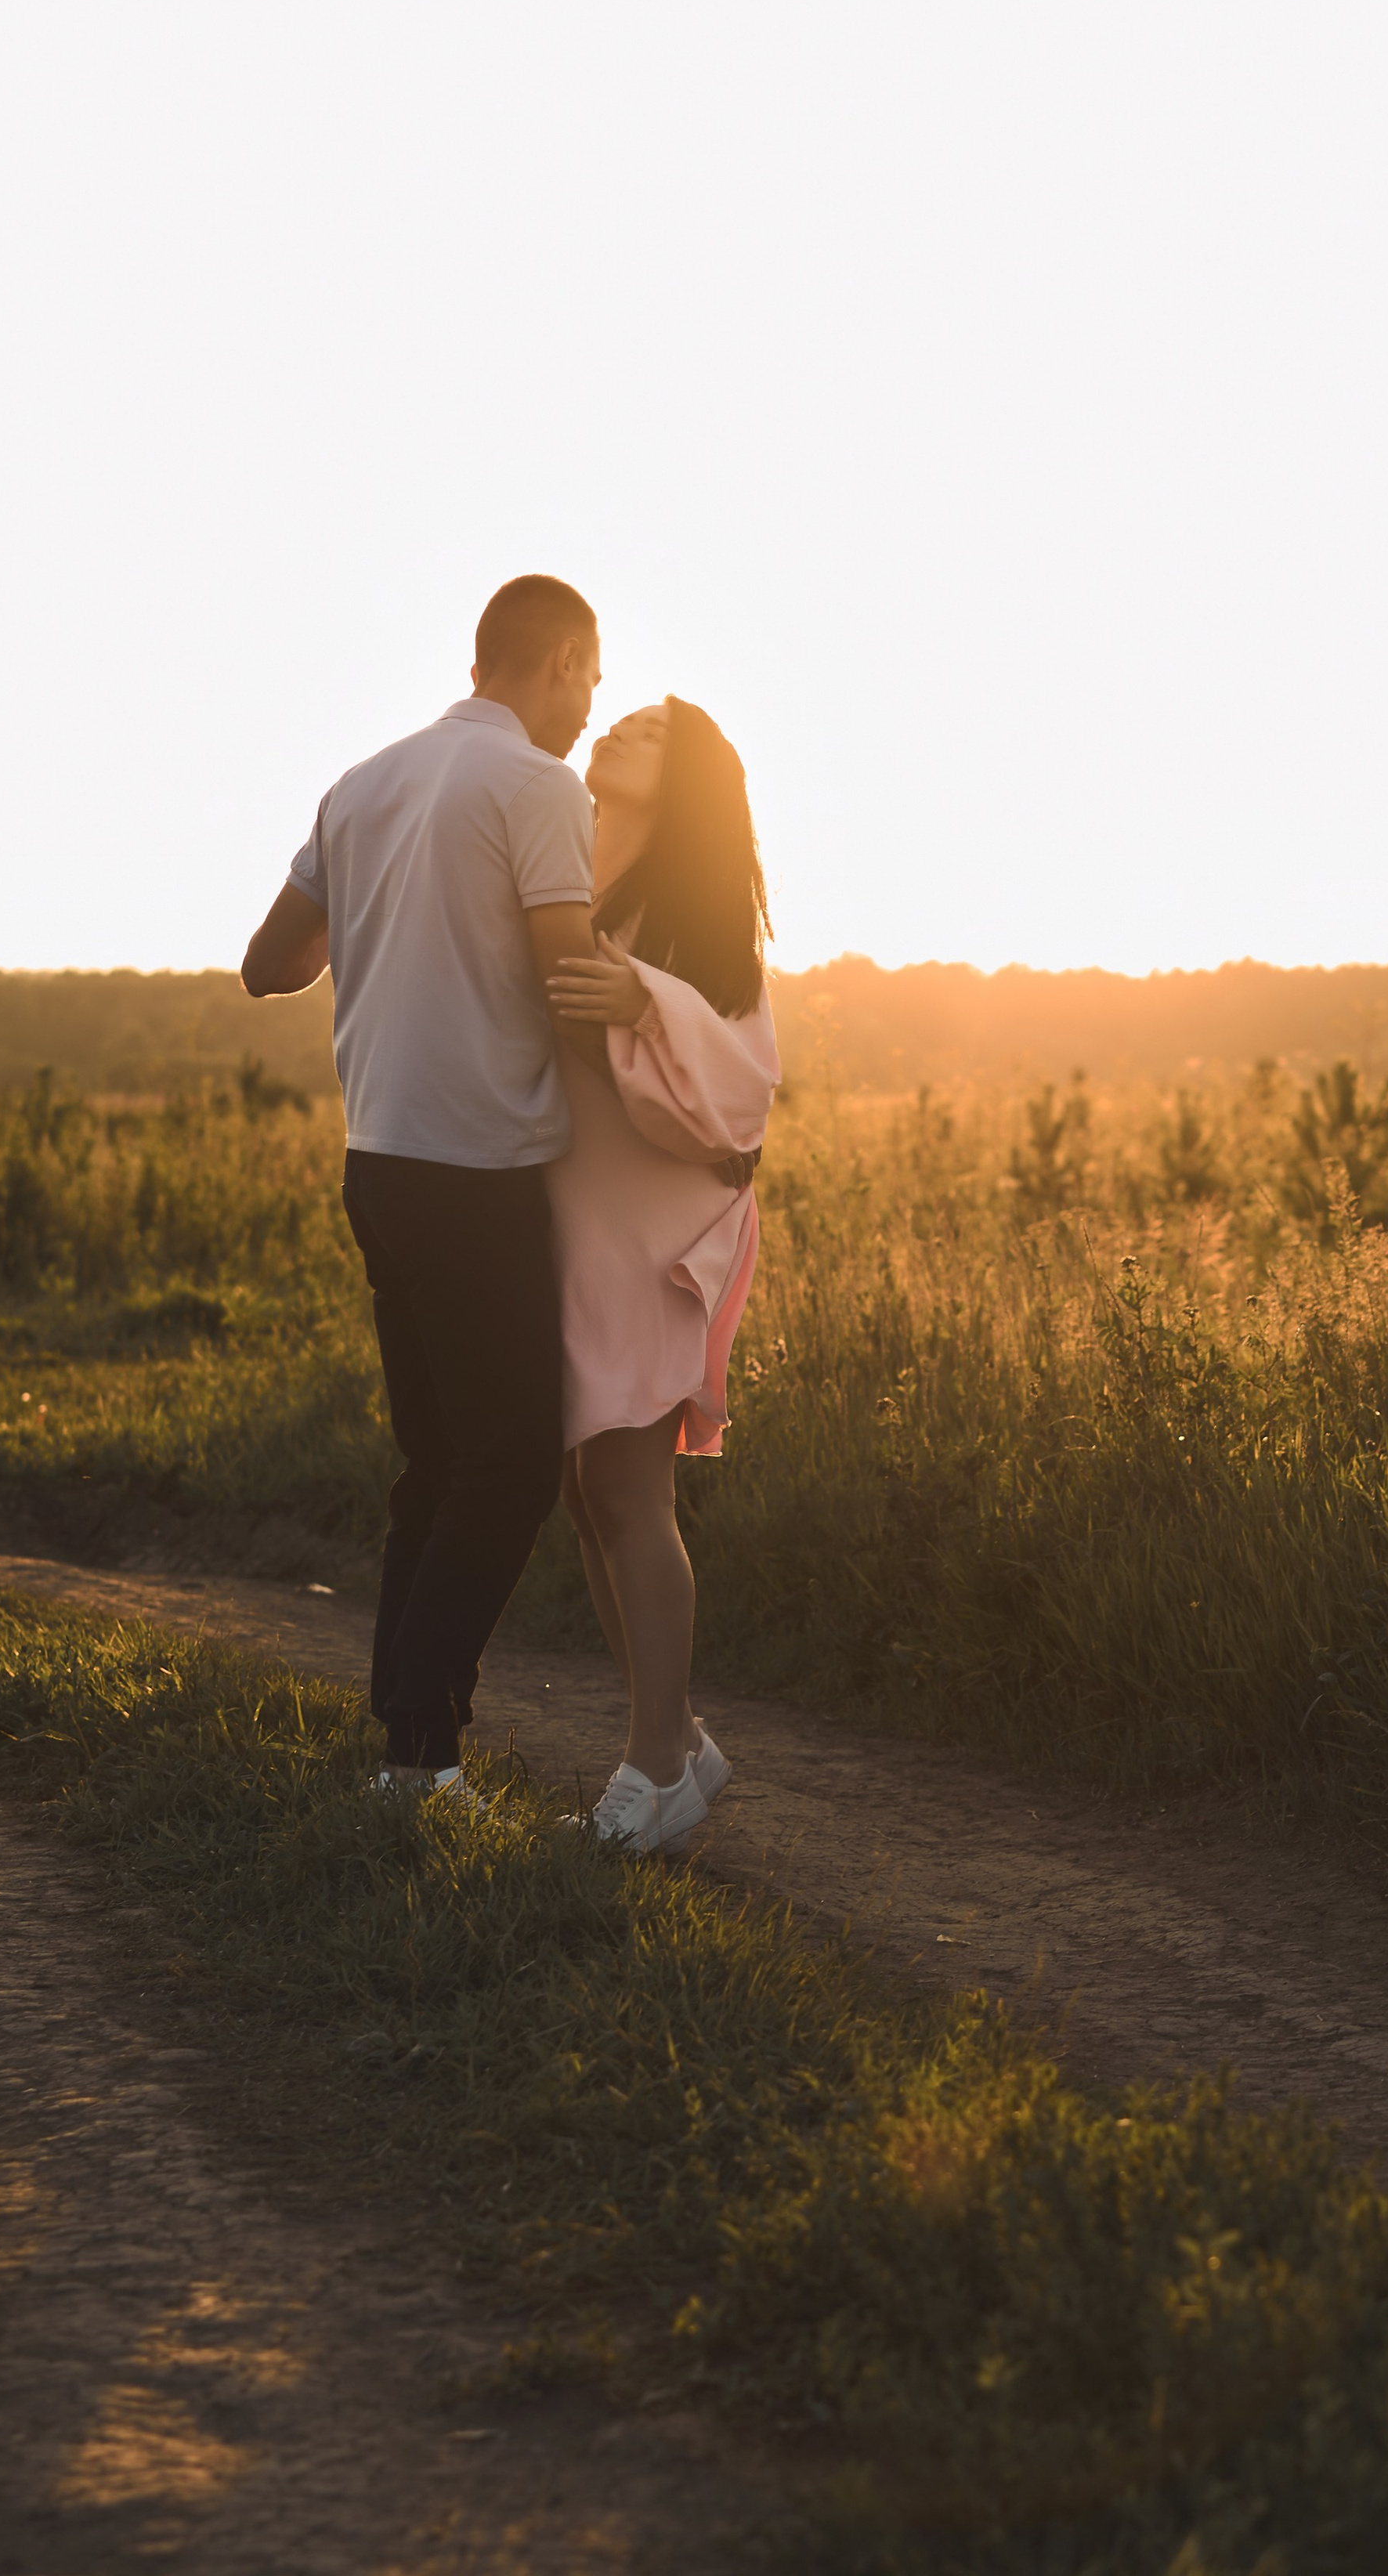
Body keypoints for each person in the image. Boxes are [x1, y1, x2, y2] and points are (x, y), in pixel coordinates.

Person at [240, 576, 602, 1796]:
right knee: (509, 1469)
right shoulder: (538, 787)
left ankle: (401, 1747)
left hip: (379, 1165)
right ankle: (420, 1747)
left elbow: (270, 964)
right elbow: (571, 986)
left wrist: (387, 911)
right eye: (593, 680)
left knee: (437, 1465)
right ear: (561, 660)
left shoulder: (362, 785)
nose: (591, 711)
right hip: (478, 1172)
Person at [544, 696, 780, 1855]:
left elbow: (742, 1090)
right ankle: (676, 1738)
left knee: (632, 1491)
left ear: (685, 780)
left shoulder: (693, 922)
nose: (619, 729)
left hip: (654, 1230)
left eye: (649, 730)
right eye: (621, 718)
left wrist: (644, 998)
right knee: (589, 1491)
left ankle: (654, 1771)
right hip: (586, 1223)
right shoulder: (579, 883)